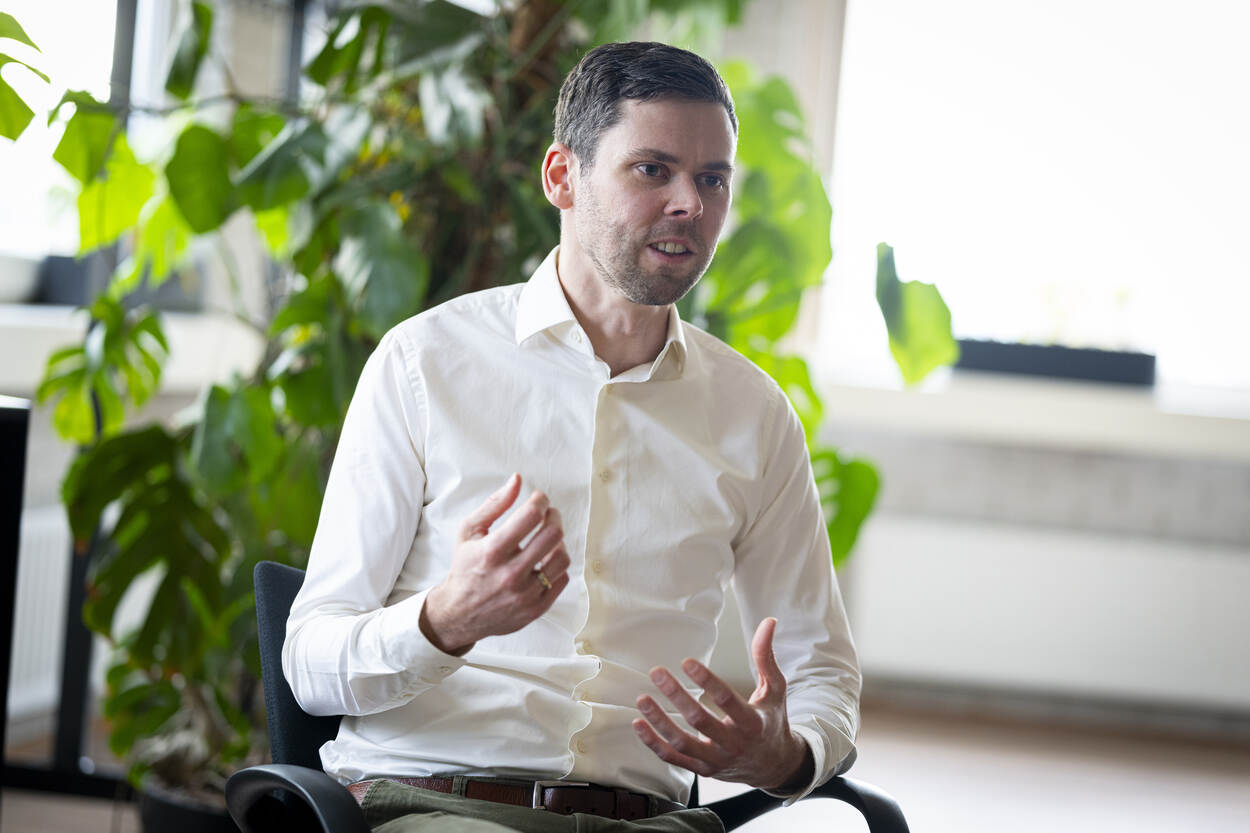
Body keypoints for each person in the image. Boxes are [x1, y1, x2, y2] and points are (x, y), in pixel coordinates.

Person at [283, 40, 861, 833]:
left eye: (712, 179)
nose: (690, 204)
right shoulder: (424, 364)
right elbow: (310, 663)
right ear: (562, 176)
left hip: (650, 820)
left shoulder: (753, 413)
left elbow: (824, 674)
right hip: (438, 802)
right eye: (652, 169)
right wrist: (446, 618)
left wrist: (784, 756)